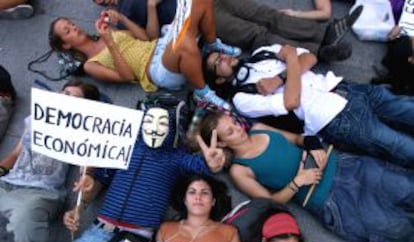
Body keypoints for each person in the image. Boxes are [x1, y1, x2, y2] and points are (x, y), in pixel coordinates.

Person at [196, 111, 414, 242]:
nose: (238, 129)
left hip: (344, 165)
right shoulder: (239, 170)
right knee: (397, 229)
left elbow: (298, 138)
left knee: (406, 186)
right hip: (331, 200)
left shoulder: (259, 129)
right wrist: (297, 182)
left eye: (234, 122)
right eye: (230, 131)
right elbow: (270, 203)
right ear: (222, 143)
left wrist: (313, 144)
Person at [62, 98, 227, 242]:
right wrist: (79, 207)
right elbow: (97, 183)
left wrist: (213, 163)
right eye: (149, 121)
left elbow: (201, 164)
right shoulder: (123, 147)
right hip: (97, 230)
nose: (154, 128)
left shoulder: (177, 157)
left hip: (132, 241)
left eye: (162, 123)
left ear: (174, 126)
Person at [204, 43, 414, 168]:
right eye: (216, 63)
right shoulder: (242, 98)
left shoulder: (262, 52)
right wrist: (290, 60)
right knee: (400, 145)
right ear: (220, 80)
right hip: (334, 118)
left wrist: (280, 79)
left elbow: (309, 57)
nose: (223, 57)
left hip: (345, 87)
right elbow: (291, 101)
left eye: (220, 53)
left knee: (406, 108)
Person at [49, 0, 241, 109]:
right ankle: (202, 92)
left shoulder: (109, 32)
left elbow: (148, 37)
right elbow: (127, 76)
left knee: (195, 1)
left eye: (71, 23)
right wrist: (110, 43)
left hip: (159, 45)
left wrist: (123, 18)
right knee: (182, 42)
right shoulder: (91, 64)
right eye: (68, 31)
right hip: (156, 69)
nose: (74, 27)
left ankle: (211, 44)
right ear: (66, 45)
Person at [0, 79, 101, 242]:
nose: (65, 96)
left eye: (72, 96)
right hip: (8, 183)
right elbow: (15, 154)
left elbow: (87, 167)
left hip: (40, 192)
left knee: (24, 222)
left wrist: (83, 191)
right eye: (64, 92)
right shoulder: (37, 117)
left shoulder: (84, 131)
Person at [214, 1, 363, 62]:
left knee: (268, 15)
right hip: (194, 13)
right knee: (255, 34)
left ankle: (324, 34)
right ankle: (317, 51)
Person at [155, 174, 243, 242]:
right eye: (192, 192)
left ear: (213, 201)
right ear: (184, 200)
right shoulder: (165, 229)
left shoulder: (229, 233)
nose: (198, 197)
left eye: (204, 193)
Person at [93, 0, 176, 31]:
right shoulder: (121, 16)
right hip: (176, 13)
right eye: (103, 2)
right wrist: (151, 6)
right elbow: (150, 37)